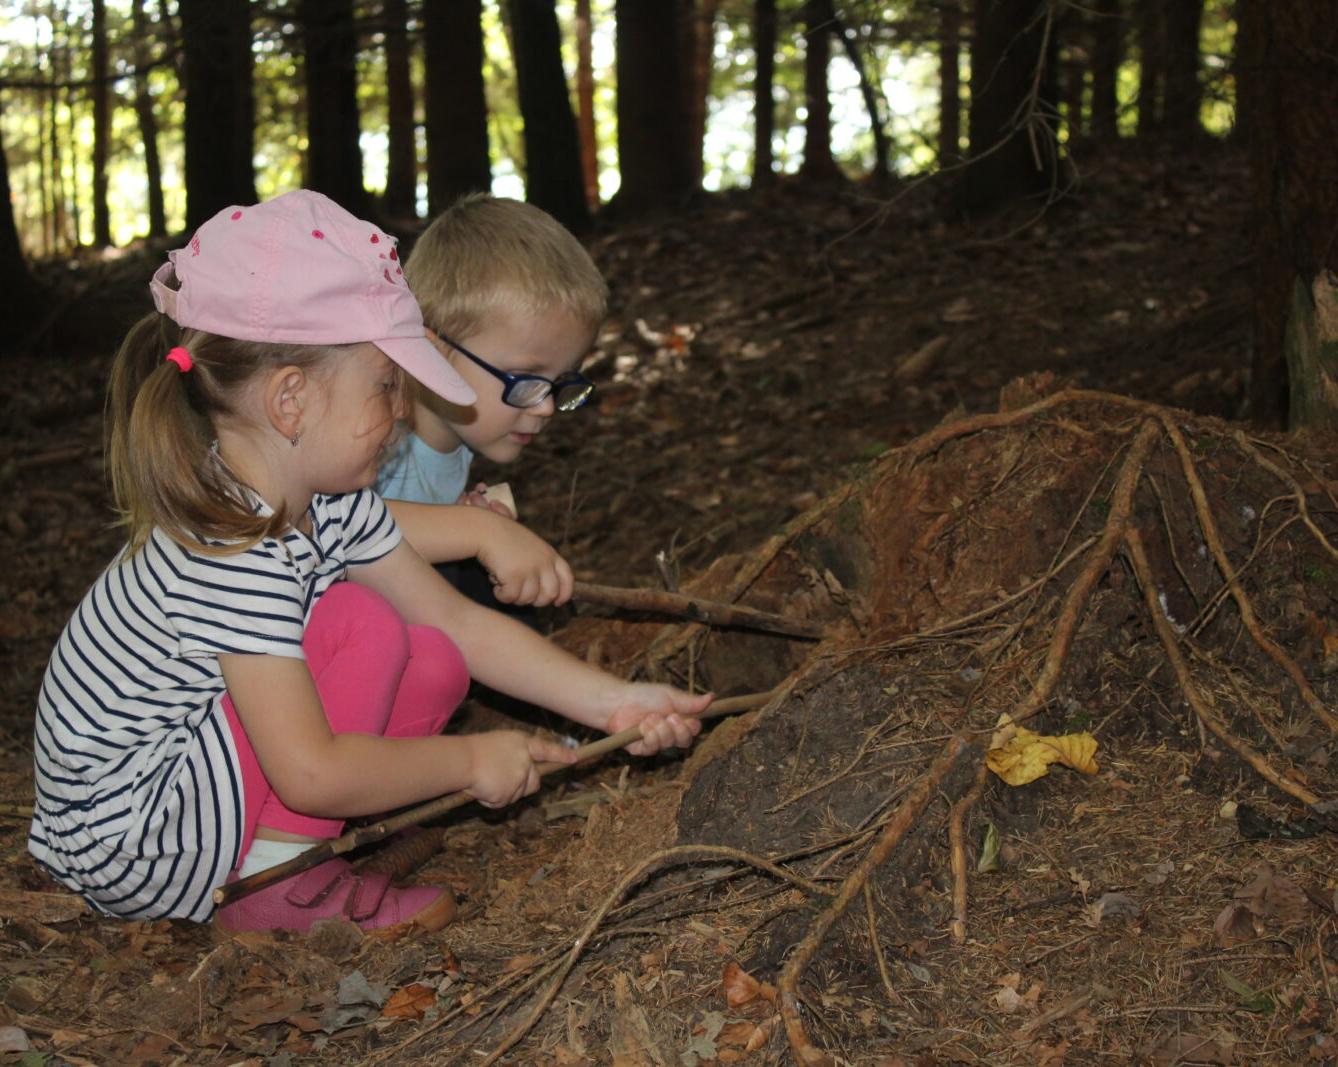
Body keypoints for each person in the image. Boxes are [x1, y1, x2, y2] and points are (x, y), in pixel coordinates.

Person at [28, 190, 708, 936]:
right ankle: (274, 883)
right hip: (134, 837)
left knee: (436, 655)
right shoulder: (230, 548)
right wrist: (470, 760)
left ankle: (301, 847)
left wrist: (615, 703)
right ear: (292, 400)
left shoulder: (327, 499)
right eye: (386, 386)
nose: (399, 410)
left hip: (195, 791)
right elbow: (309, 770)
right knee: (362, 622)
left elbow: (459, 619)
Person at [377, 194, 607, 610]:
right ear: (429, 354)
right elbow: (320, 525)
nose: (546, 408)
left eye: (560, 383)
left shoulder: (456, 437)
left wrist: (461, 517)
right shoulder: (374, 435)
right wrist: (473, 529)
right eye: (525, 380)